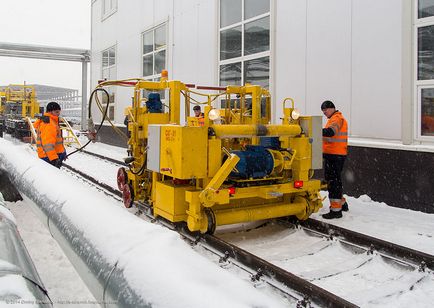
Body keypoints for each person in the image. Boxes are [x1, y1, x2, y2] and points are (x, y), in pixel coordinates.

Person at [321, 100, 348, 219]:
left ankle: (336, 210)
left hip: (335, 155)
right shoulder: (334, 119)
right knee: (335, 180)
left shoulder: (337, 119)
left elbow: (331, 132)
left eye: (325, 110)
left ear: (332, 108)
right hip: (334, 155)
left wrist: (314, 130)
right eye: (323, 111)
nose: (324, 113)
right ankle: (342, 204)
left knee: (333, 182)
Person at [33, 102, 67, 168]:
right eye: (57, 112)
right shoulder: (48, 124)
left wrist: (63, 153)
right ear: (50, 112)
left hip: (51, 156)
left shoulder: (52, 121)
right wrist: (54, 159)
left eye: (59, 111)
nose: (59, 114)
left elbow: (56, 141)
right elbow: (47, 144)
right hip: (48, 158)